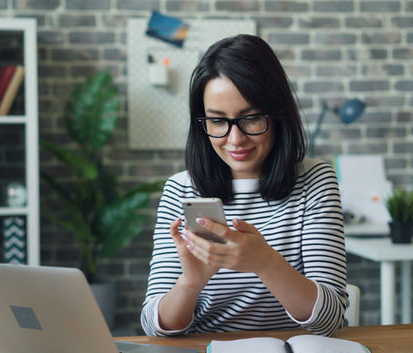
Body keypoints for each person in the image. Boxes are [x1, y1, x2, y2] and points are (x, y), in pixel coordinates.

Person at [141, 34, 347, 337]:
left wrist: (266, 263)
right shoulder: (181, 189)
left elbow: (330, 321)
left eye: (250, 119)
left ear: (278, 115)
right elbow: (154, 327)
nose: (235, 140)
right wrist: (191, 282)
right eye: (218, 121)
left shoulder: (315, 181)